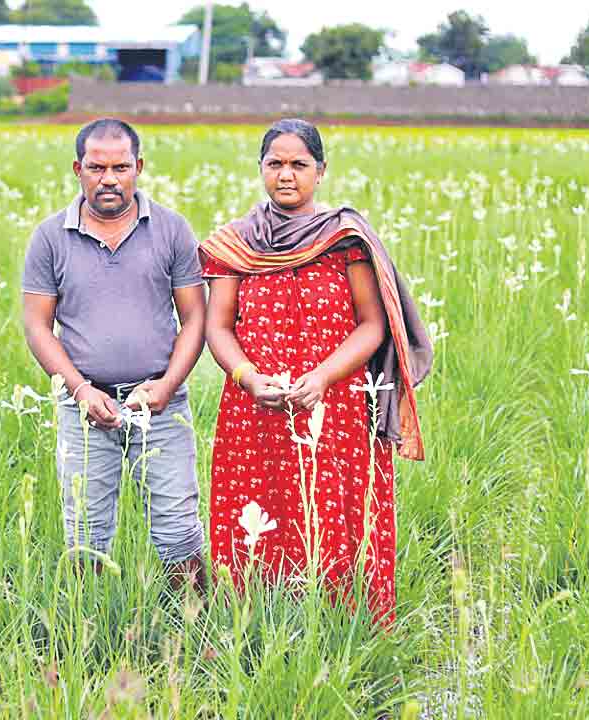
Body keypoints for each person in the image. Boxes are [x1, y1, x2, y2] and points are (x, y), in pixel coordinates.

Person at [200, 119, 432, 624]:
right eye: (275, 164)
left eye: (299, 164)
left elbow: (372, 325)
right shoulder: (235, 243)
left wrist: (323, 377)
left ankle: (343, 627)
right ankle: (255, 623)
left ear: (321, 172)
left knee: (335, 512)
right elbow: (218, 328)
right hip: (254, 408)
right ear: (260, 169)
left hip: (337, 403)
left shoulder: (345, 238)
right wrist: (246, 376)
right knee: (258, 513)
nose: (287, 175)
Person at [22, 118, 209, 593]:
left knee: (179, 527)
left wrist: (167, 386)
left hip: (160, 403)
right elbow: (38, 326)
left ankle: (195, 629)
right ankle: (90, 628)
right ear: (77, 169)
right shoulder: (50, 237)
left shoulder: (171, 230)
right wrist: (80, 389)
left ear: (139, 168)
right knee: (85, 532)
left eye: (121, 167)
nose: (109, 178)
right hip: (83, 405)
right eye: (97, 167)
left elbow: (195, 319)